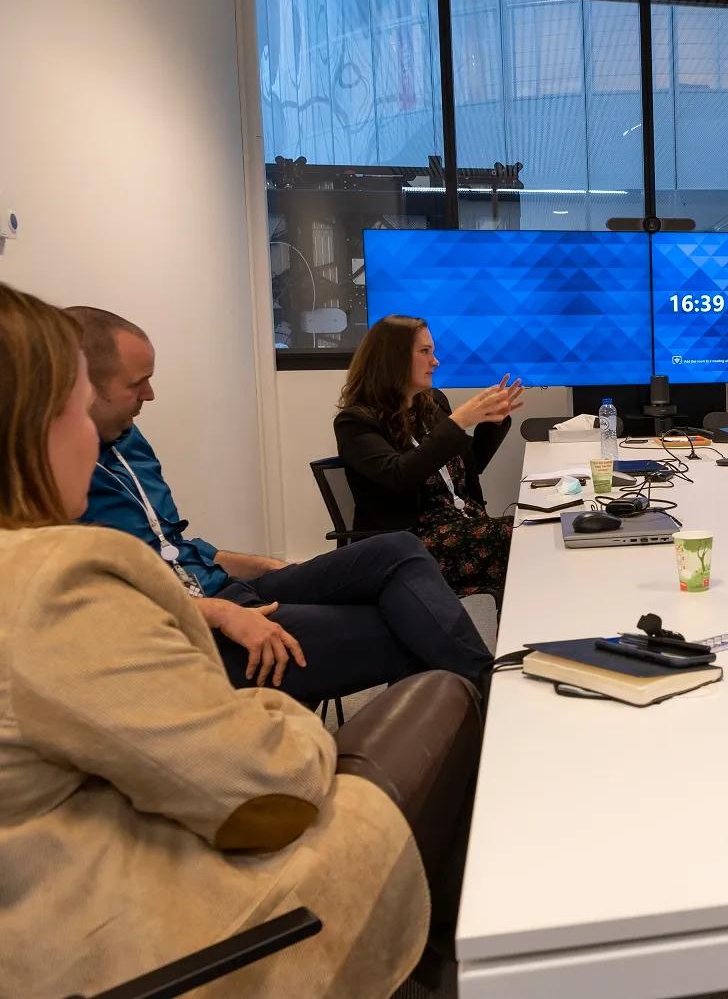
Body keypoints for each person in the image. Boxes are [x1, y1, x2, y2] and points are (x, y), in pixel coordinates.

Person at [0, 282, 429, 996]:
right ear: (30, 426)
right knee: (440, 695)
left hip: (105, 864)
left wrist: (263, 568)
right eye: (78, 408)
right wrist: (289, 714)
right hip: (167, 932)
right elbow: (262, 788)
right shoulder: (53, 577)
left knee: (401, 568)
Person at [66, 306, 493, 701]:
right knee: (412, 628)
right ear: (80, 388)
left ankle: (483, 706)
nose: (151, 395)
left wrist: (263, 565)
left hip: (225, 588)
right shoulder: (48, 481)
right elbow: (93, 598)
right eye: (135, 383)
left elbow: (170, 544)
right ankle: (488, 700)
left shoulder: (129, 440)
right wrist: (215, 612)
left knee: (398, 550)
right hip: (187, 622)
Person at [334, 315, 524, 594]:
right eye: (425, 352)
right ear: (392, 359)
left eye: (432, 352)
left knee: (534, 533)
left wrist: (491, 423)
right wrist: (457, 423)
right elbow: (399, 475)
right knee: (524, 539)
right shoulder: (356, 422)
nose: (435, 361)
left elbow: (472, 465)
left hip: (465, 526)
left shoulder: (433, 403)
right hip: (412, 544)